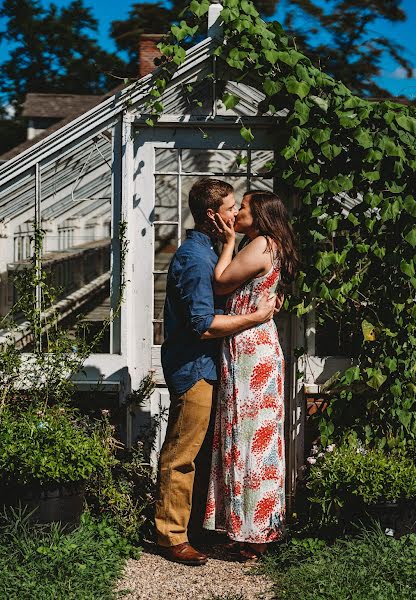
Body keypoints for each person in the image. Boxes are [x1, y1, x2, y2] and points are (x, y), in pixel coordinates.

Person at [155, 179, 278, 566]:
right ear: (213, 215)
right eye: (230, 208)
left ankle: (191, 528)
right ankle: (171, 536)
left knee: (204, 453)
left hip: (211, 366)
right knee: (182, 454)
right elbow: (203, 325)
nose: (235, 215)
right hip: (195, 368)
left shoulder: (214, 249)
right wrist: (254, 317)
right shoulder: (195, 258)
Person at [203, 190, 299, 561]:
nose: (237, 212)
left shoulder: (260, 243)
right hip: (250, 345)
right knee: (248, 435)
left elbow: (220, 282)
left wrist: (227, 242)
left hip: (250, 349)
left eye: (242, 207)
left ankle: (254, 532)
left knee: (250, 438)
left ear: (258, 215)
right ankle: (245, 529)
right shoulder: (266, 243)